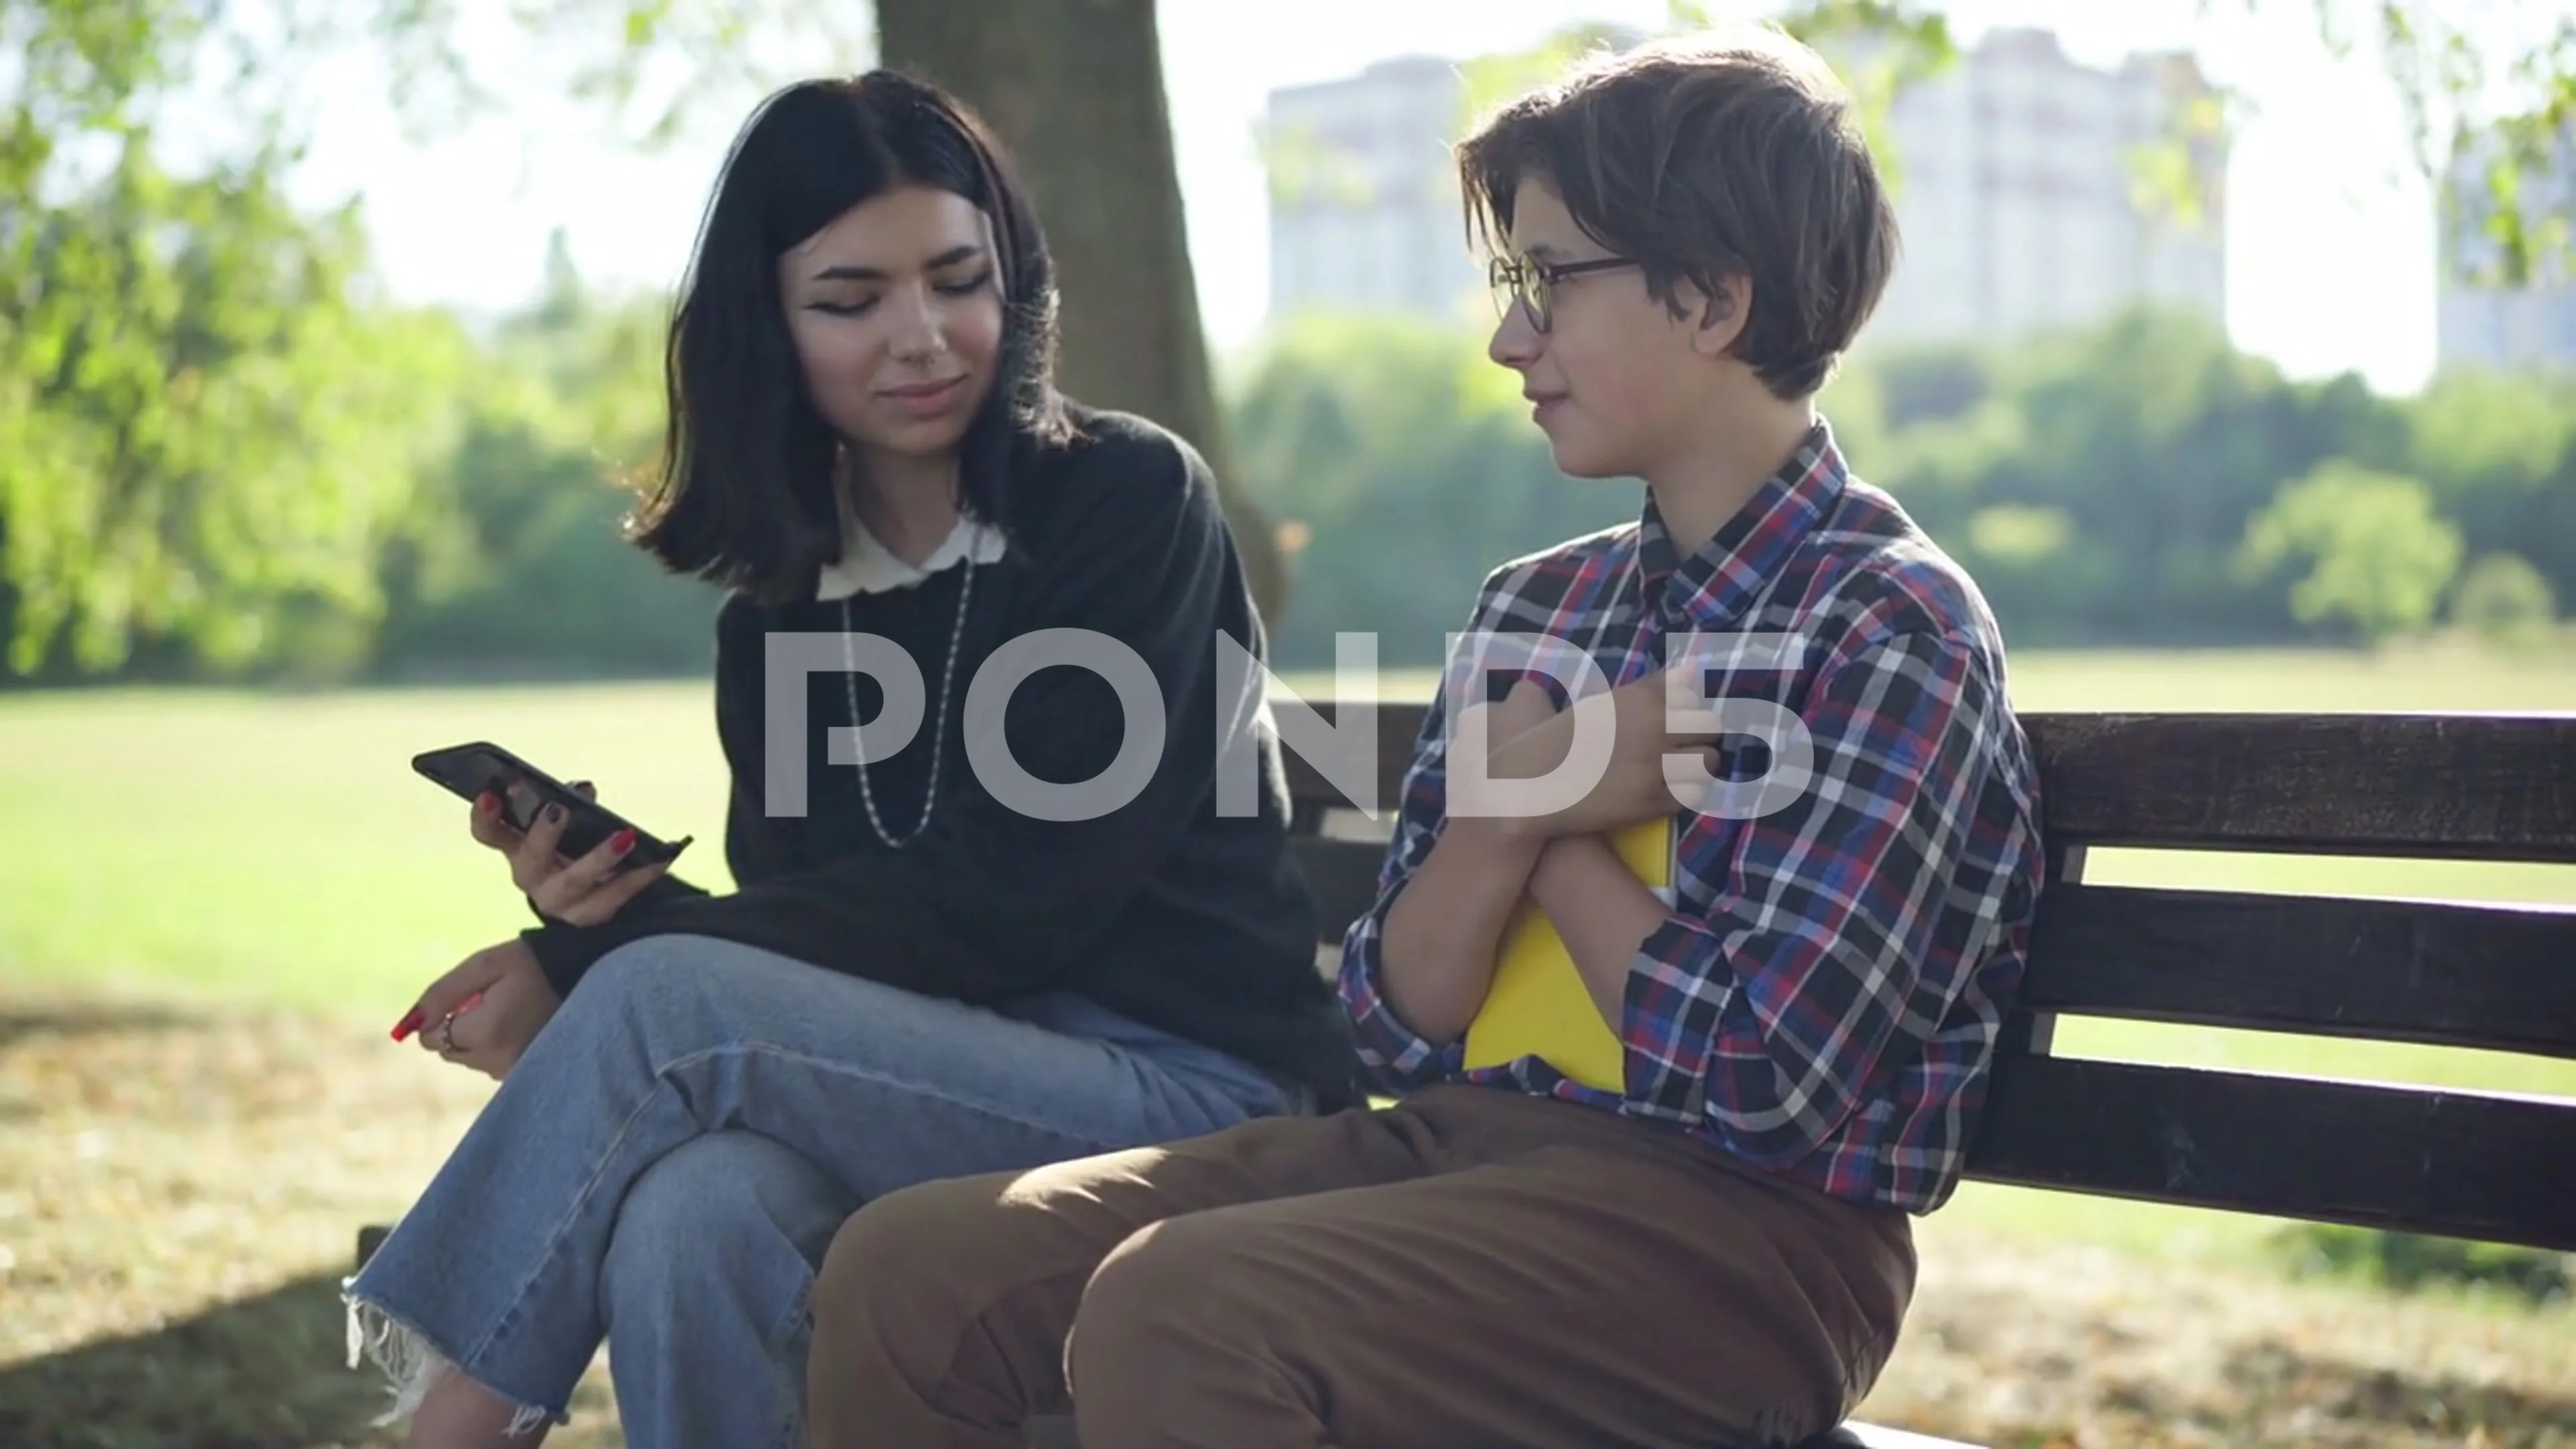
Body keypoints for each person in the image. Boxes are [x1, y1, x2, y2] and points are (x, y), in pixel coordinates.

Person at [800, 25, 2049, 1449]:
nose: (1511, 337)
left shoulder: (1884, 632)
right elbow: (1397, 1017)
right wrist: (1519, 812)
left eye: (1548, 282)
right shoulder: (1541, 608)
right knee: (910, 1271)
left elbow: (1768, 1086)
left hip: (1745, 1247)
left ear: (1710, 298)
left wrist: (1546, 818)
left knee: (1186, 1306)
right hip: (1454, 1157)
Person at [340, 70, 1362, 1449]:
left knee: (659, 1003)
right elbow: (818, 958)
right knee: (693, 1210)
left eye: (960, 280)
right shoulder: (782, 602)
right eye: (851, 299)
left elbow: (1019, 899)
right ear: (767, 324)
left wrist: (597, 970)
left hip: (1202, 1097)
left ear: (1017, 284)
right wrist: (620, 908)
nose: (924, 338)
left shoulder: (1127, 502)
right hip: (955, 1098)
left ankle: (445, 1431)